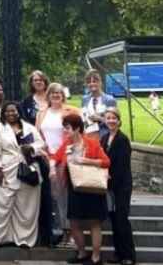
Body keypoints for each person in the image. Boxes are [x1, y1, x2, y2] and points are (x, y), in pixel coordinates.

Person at [52, 113, 111, 265]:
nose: (65, 132)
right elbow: (55, 157)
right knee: (74, 222)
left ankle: (96, 257)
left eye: (67, 128)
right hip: (74, 187)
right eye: (64, 129)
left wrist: (85, 161)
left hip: (91, 186)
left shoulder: (92, 143)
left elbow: (106, 162)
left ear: (77, 128)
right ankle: (82, 253)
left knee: (94, 223)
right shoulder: (66, 145)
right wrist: (52, 167)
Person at [0, 102, 46, 248]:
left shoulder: (29, 128)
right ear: (3, 113)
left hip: (26, 168)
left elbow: (41, 144)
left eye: (14, 111)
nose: (11, 114)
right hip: (4, 169)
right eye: (7, 111)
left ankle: (24, 239)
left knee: (26, 205)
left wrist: (31, 147)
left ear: (19, 112)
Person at [36, 82, 81, 246]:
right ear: (48, 95)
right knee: (54, 198)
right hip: (46, 158)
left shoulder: (72, 111)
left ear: (63, 95)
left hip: (64, 159)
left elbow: (76, 135)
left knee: (65, 198)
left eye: (59, 93)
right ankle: (60, 231)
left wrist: (60, 156)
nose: (56, 95)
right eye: (52, 92)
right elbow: (37, 134)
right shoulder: (42, 113)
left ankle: (71, 234)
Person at [101, 109, 136, 265]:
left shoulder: (122, 139)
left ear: (119, 121)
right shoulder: (104, 138)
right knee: (114, 220)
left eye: (114, 118)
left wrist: (110, 179)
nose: (111, 121)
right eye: (108, 118)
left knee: (122, 219)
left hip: (121, 185)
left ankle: (128, 255)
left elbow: (122, 166)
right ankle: (118, 253)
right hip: (108, 186)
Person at [81, 70, 118, 138]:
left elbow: (116, 122)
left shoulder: (109, 100)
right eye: (89, 82)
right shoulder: (84, 99)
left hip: (104, 138)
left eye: (94, 81)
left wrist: (100, 118)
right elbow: (83, 118)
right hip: (89, 137)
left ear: (100, 82)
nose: (92, 84)